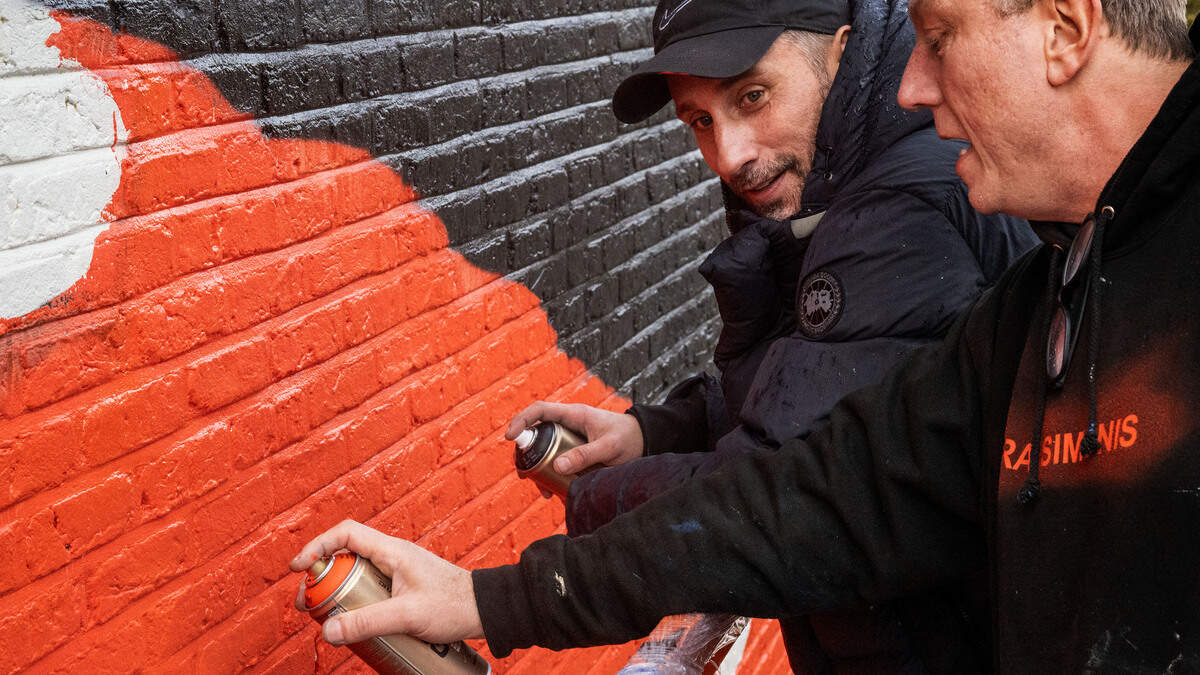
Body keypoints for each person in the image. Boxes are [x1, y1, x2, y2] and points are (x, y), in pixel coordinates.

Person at [292, 0, 1200, 671]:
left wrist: (548, 543)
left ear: (1066, 27)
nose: (914, 86)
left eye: (939, 35)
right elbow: (822, 492)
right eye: (699, 121)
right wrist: (495, 595)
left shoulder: (929, 210)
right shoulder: (1051, 286)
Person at [512, 0, 1036, 669]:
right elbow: (818, 382)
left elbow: (780, 495)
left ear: (841, 51)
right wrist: (655, 432)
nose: (729, 156)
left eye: (752, 96)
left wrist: (570, 518)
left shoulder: (899, 209)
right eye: (701, 121)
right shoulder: (844, 186)